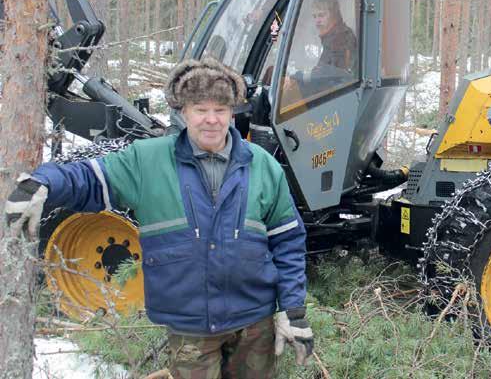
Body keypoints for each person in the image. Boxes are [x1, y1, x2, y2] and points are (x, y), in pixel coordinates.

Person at [4, 58, 313, 379]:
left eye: (220, 110)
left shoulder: (261, 165)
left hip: (255, 326)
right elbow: (90, 178)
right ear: (182, 113)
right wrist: (44, 183)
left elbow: (287, 241)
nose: (211, 120)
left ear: (232, 114)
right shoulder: (147, 161)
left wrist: (294, 312)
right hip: (191, 328)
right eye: (200, 109)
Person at [311, 0, 357, 75]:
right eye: (314, 16)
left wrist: (301, 78)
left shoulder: (340, 38)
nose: (317, 21)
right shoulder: (331, 38)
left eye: (321, 15)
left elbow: (331, 76)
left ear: (333, 14)